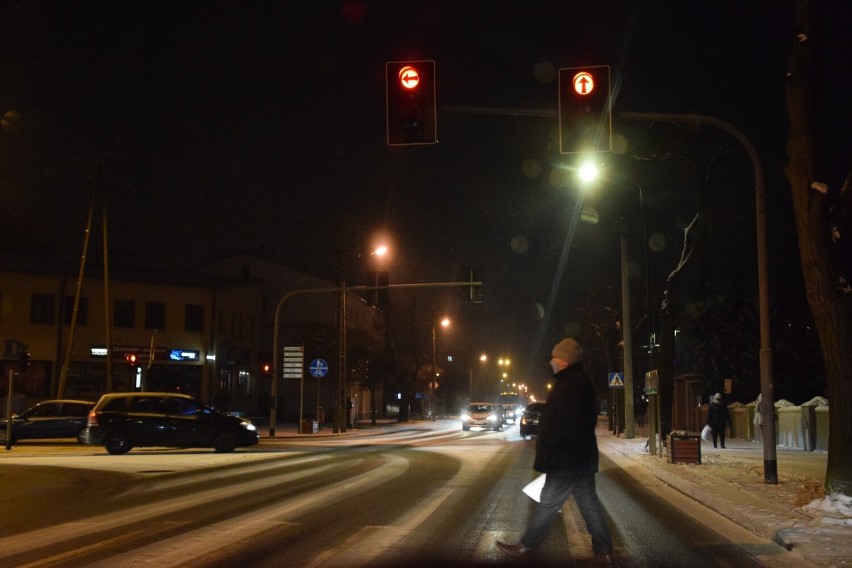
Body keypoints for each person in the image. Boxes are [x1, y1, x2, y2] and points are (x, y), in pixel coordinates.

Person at [497, 338, 615, 565]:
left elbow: (568, 423)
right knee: (589, 504)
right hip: (578, 458)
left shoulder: (573, 385)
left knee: (549, 502)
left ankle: (526, 546)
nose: (550, 362)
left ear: (564, 360)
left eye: (554, 357)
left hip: (568, 459)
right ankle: (604, 553)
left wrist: (552, 446)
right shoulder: (574, 382)